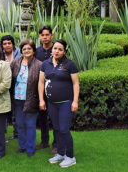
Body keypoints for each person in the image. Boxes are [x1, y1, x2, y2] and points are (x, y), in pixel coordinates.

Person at [39, 40, 80, 168]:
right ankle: (61, 154)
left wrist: (75, 101)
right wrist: (41, 99)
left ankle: (70, 156)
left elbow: (76, 83)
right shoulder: (46, 64)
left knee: (63, 129)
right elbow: (40, 82)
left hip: (66, 103)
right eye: (55, 48)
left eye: (60, 49)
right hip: (52, 103)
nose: (56, 51)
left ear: (64, 51)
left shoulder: (70, 64)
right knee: (56, 129)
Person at [10, 40, 42, 157]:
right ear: (21, 51)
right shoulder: (15, 62)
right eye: (24, 49)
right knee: (19, 124)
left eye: (29, 49)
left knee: (30, 124)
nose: (26, 51)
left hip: (32, 99)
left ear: (33, 50)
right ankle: (22, 146)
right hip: (17, 98)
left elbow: (42, 83)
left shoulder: (39, 64)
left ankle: (30, 148)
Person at [35, 25, 56, 153]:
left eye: (47, 35)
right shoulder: (37, 51)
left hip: (55, 89)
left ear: (51, 35)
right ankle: (44, 142)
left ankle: (56, 144)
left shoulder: (57, 49)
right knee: (42, 117)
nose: (45, 37)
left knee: (55, 118)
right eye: (42, 35)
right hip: (41, 88)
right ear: (40, 36)